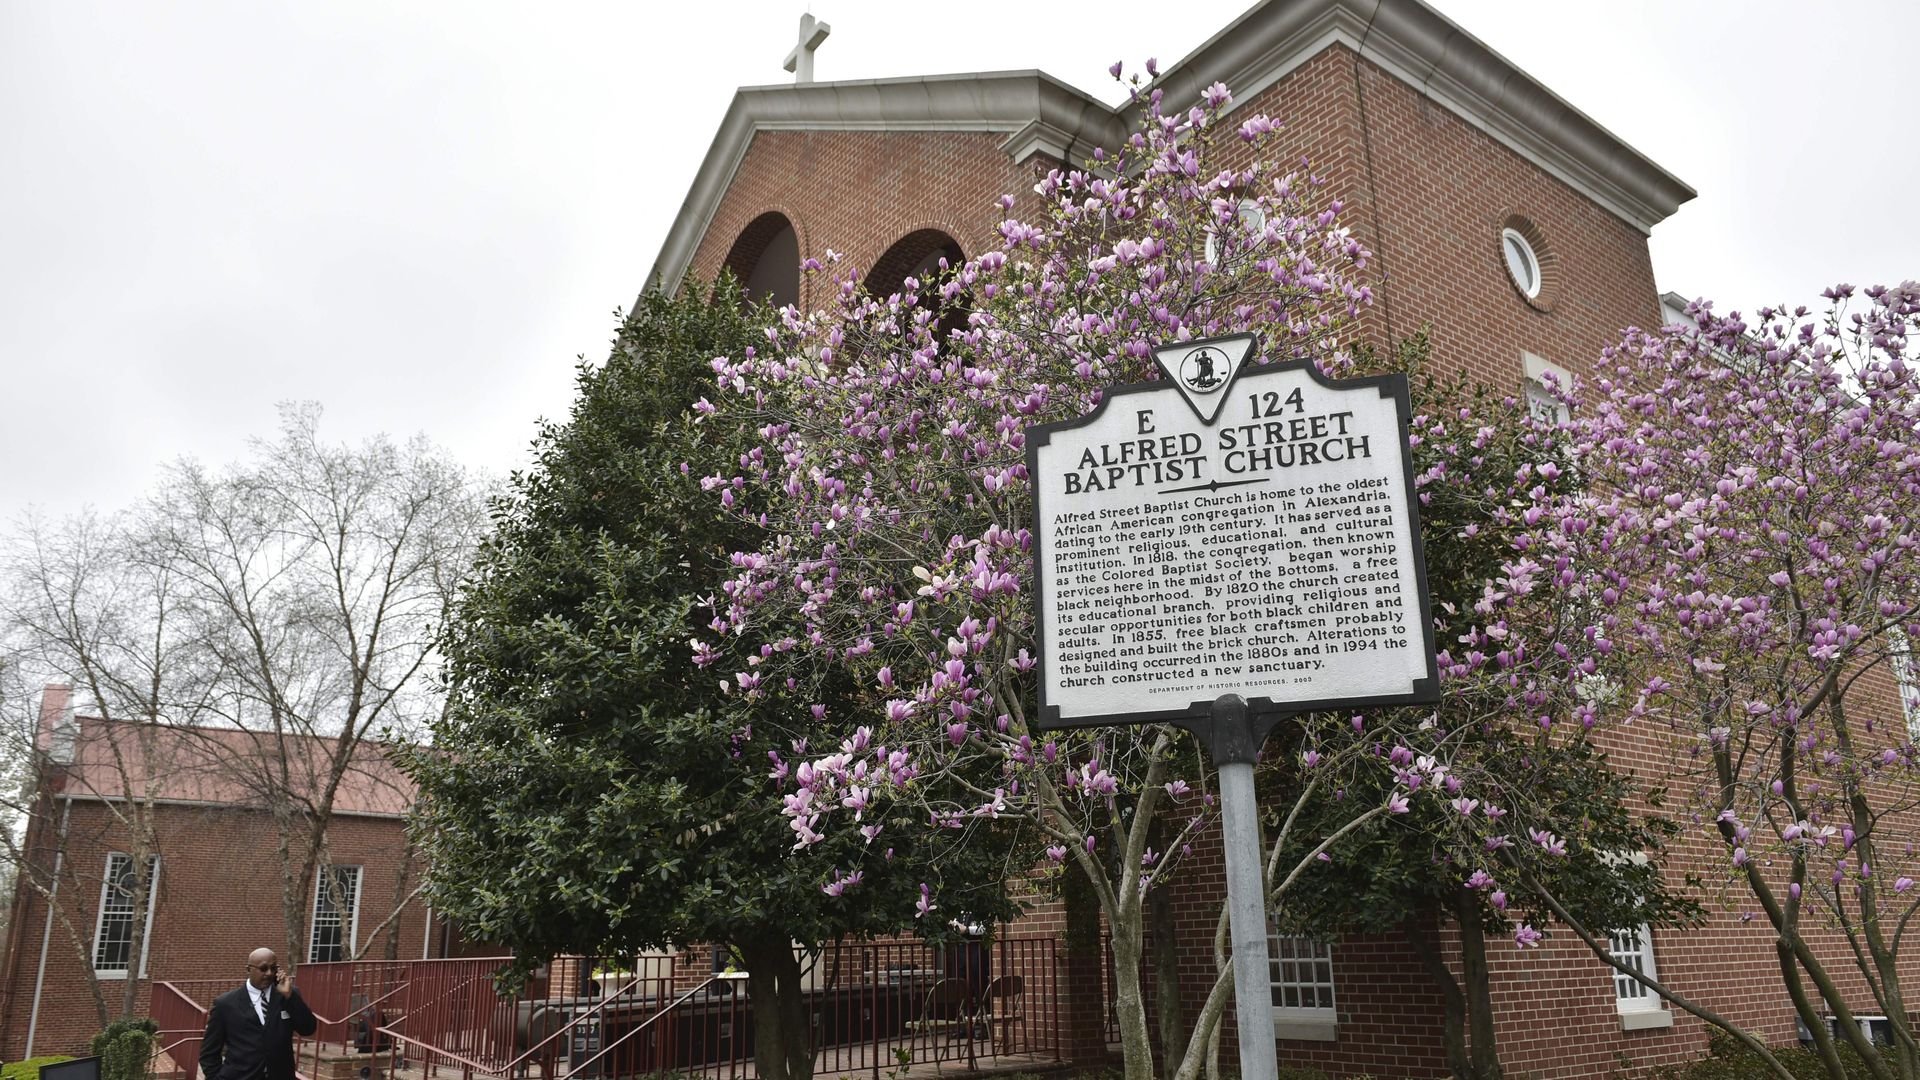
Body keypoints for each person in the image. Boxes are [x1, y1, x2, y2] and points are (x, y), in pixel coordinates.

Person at [199, 948, 318, 1080]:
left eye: (274, 968)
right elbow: (208, 1053)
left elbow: (308, 1028)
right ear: (249, 969)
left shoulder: (288, 995)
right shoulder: (225, 1004)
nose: (269, 973)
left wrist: (290, 997)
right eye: (263, 968)